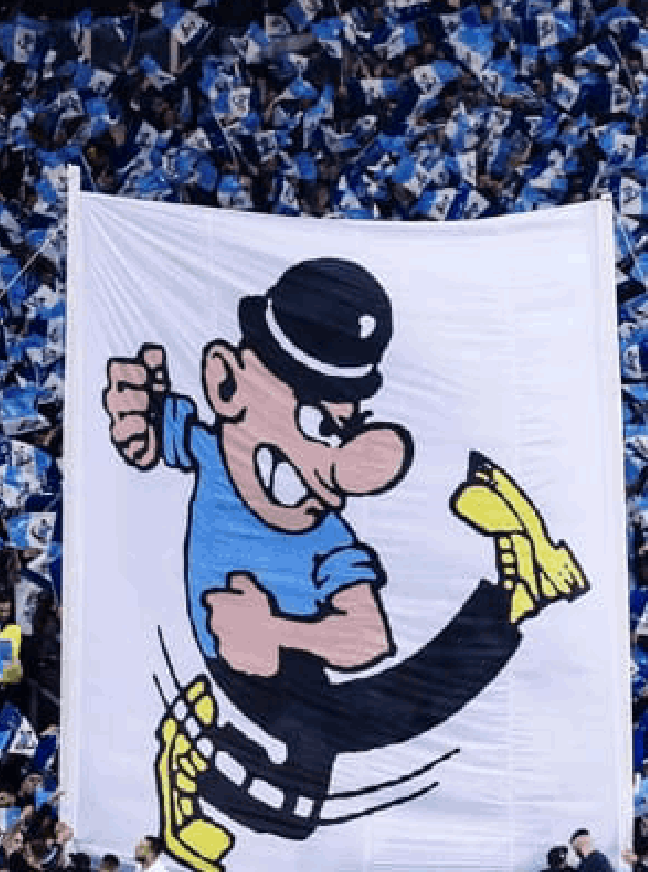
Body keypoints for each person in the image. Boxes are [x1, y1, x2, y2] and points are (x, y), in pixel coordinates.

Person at [103, 259, 589, 872]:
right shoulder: (214, 449)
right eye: (313, 421)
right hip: (248, 678)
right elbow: (157, 433)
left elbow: (369, 637)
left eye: (345, 432)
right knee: (305, 793)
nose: (334, 473)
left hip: (291, 681)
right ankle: (194, 752)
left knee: (341, 750)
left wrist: (276, 630)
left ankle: (512, 600)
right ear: (226, 385)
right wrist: (137, 413)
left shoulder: (327, 536)